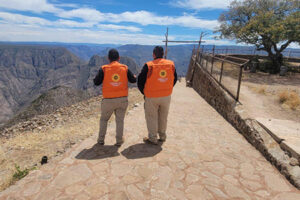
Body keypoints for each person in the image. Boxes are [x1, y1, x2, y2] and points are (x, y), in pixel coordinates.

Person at [94, 49, 136, 146]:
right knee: (120, 120)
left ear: (108, 58)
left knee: (104, 120)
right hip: (122, 99)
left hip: (108, 100)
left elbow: (96, 82)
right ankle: (119, 141)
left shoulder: (104, 68)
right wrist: (134, 76)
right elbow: (133, 80)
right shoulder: (125, 68)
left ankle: (101, 140)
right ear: (119, 58)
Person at [138, 46, 177, 145]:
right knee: (163, 116)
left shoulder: (149, 65)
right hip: (166, 96)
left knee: (152, 117)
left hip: (151, 96)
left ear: (153, 54)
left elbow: (140, 81)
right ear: (163, 54)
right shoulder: (171, 64)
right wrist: (168, 88)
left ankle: (153, 138)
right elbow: (174, 78)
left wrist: (145, 92)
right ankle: (162, 136)